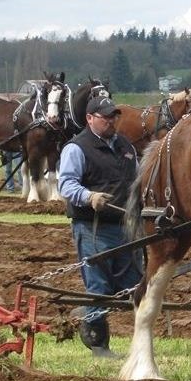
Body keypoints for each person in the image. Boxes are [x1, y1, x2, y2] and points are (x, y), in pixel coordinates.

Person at [57, 93, 142, 358]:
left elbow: (138, 180)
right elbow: (66, 184)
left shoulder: (126, 147)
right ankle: (98, 344)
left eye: (114, 116)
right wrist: (89, 197)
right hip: (92, 227)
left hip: (125, 227)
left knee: (132, 284)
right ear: (89, 118)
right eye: (105, 117)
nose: (111, 121)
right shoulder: (77, 148)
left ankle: (87, 312)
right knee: (98, 285)